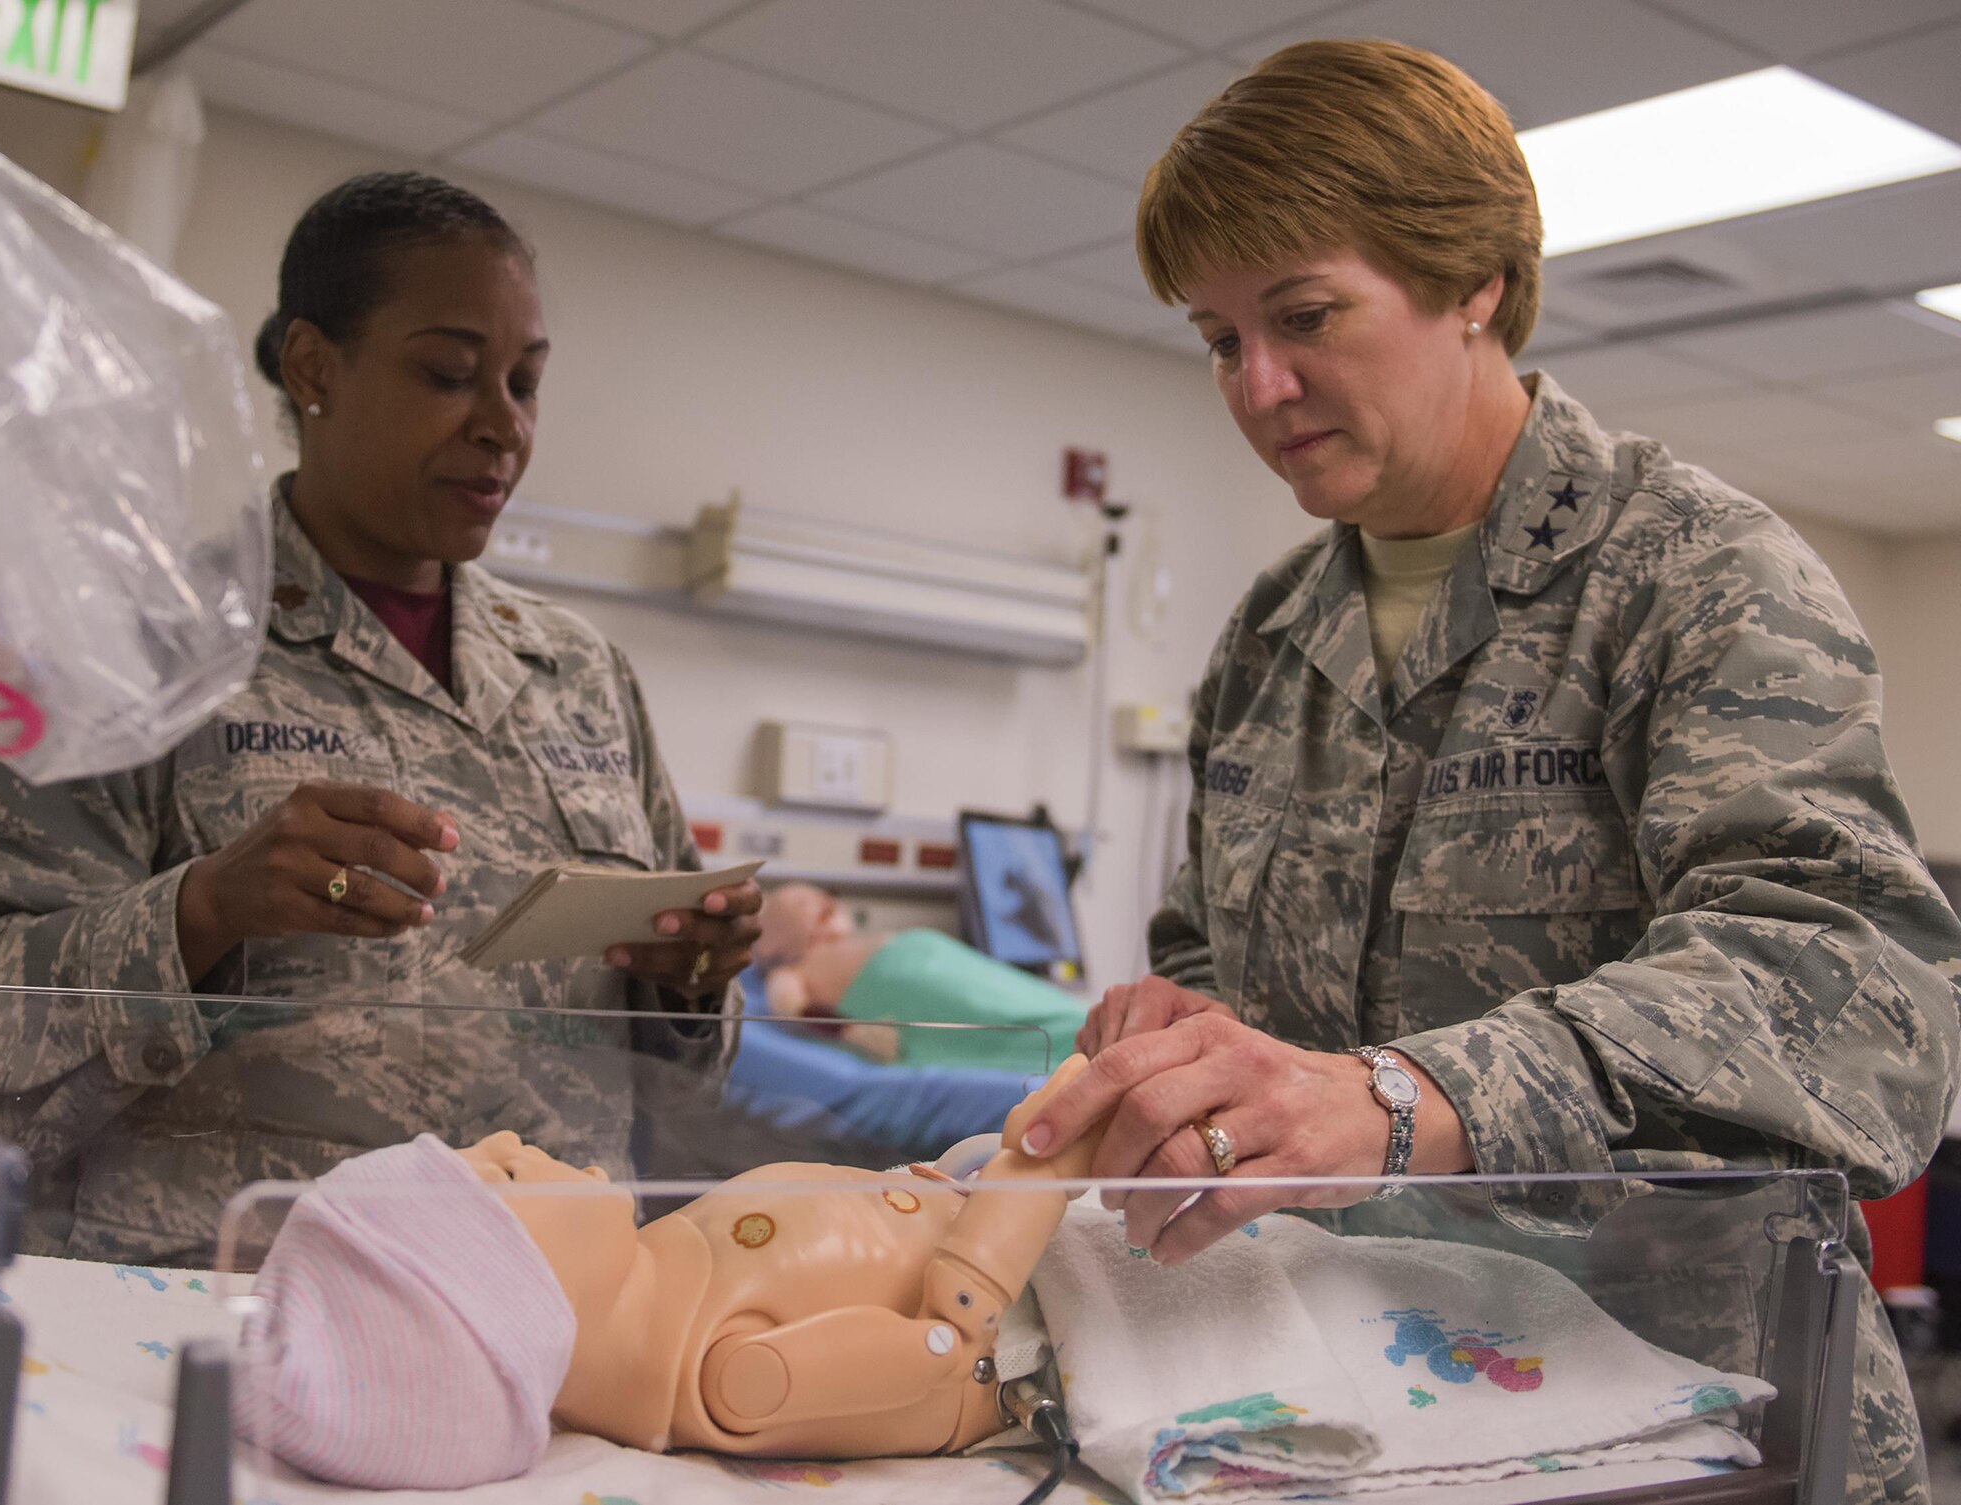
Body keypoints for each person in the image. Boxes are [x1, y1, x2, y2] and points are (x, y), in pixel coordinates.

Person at [1012, 40, 1961, 1505]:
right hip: (1365, 1403)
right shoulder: (1271, 634)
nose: (1260, 385)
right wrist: (1195, 1034)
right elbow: (1215, 950)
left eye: (1305, 316)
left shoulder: (1695, 576)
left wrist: (1405, 1098)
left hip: (1691, 1421)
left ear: (1476, 284)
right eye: (1217, 338)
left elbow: (1852, 1001)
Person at [0, 172, 760, 1262]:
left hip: (552, 1299)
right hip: (240, 1300)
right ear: (312, 367)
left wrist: (690, 985)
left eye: (525, 384)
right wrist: (204, 907)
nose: (503, 427)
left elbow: (676, 1082)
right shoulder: (131, 644)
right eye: (449, 374)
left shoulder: (581, 672)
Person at [235, 1056, 1103, 1488]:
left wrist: (965, 1178)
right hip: (1046, 1289)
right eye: (498, 1174)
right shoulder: (734, 1376)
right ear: (519, 1296)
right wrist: (1034, 1177)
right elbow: (945, 1342)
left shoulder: (667, 1258)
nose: (504, 1139)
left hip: (986, 1197)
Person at [754, 882, 1087, 1070]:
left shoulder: (852, 942)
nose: (821, 901)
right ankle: (1082, 1042)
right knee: (1001, 1019)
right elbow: (790, 1007)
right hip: (905, 984)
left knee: (1017, 999)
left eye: (819, 897)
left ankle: (1086, 1026)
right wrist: (852, 1032)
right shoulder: (792, 969)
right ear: (777, 938)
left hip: (929, 955)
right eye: (800, 903)